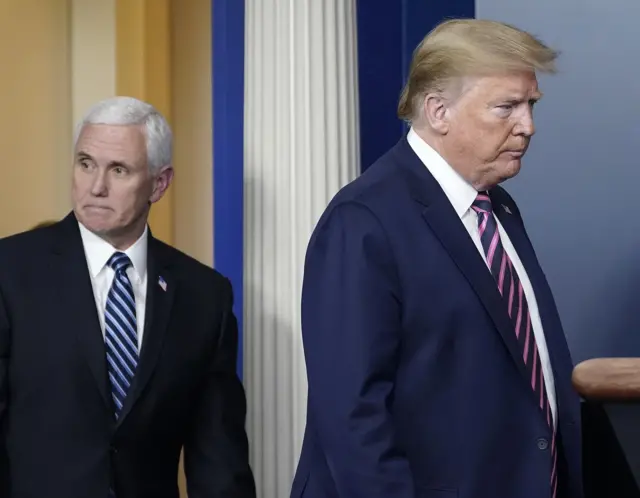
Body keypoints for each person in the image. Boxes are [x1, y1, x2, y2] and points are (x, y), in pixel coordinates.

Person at [291, 19, 582, 498]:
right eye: (506, 107)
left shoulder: (499, 207)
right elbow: (353, 416)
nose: (527, 125)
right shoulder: (362, 221)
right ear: (438, 111)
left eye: (530, 105)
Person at [0, 96, 256, 498]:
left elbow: (218, 457)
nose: (96, 187)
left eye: (118, 170)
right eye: (86, 164)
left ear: (159, 183)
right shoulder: (10, 271)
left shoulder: (204, 296)